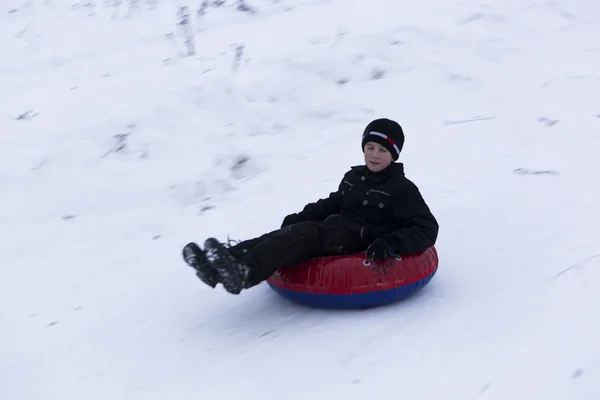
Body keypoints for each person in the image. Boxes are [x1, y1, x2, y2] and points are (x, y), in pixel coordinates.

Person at [182, 118, 439, 295]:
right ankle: (218, 266)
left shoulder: (402, 188)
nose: (374, 154)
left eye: (382, 150)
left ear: (394, 155)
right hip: (335, 228)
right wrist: (303, 214)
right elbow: (334, 202)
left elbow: (427, 227)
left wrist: (390, 243)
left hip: (358, 240)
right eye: (369, 147)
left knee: (305, 235)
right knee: (284, 233)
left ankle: (246, 272)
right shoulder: (354, 177)